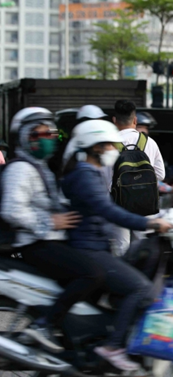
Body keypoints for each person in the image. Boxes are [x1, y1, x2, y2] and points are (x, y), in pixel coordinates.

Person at [61, 119, 172, 371]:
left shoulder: (92, 172)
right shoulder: (86, 175)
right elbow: (109, 211)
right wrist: (151, 224)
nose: (113, 149)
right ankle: (113, 347)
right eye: (109, 145)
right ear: (95, 147)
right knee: (139, 287)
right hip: (90, 249)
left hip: (97, 245)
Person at [0, 107, 105, 353]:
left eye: (51, 133)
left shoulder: (41, 167)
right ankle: (44, 325)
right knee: (93, 274)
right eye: (40, 133)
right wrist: (49, 222)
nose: (49, 138)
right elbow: (11, 210)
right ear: (26, 137)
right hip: (36, 244)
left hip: (52, 241)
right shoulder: (20, 169)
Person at [112, 100, 165, 255]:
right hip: (145, 205)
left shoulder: (109, 144)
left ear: (114, 121)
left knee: (121, 249)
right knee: (142, 250)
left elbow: (105, 180)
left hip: (118, 206)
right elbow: (161, 175)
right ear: (135, 120)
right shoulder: (150, 143)